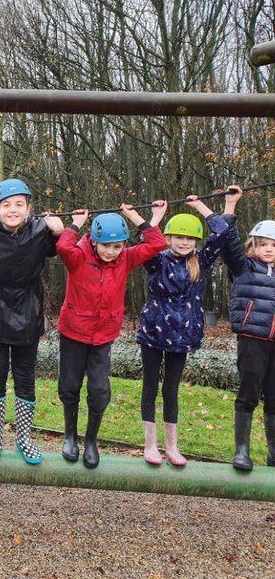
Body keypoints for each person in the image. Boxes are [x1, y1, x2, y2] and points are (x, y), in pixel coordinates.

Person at [0, 178, 63, 464]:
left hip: (28, 309)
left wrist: (61, 231)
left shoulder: (40, 230)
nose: (12, 210)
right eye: (6, 205)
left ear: (29, 208)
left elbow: (59, 249)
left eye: (19, 204)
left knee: (25, 377)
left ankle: (24, 437)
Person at [56, 203, 167, 469]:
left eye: (117, 246)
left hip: (103, 335)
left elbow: (157, 243)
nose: (111, 252)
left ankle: (91, 440)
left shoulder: (125, 259)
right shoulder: (78, 256)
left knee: (99, 390)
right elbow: (62, 247)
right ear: (93, 242)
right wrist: (75, 223)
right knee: (70, 387)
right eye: (106, 245)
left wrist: (135, 217)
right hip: (74, 331)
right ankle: (70, 435)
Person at [136, 196, 234, 467]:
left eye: (190, 238)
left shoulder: (200, 261)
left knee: (171, 389)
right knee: (150, 387)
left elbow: (223, 232)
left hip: (183, 334)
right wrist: (155, 217)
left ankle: (172, 447)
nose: (184, 242)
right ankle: (150, 445)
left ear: (196, 242)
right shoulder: (157, 260)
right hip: (154, 332)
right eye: (178, 237)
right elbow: (145, 244)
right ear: (168, 238)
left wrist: (201, 207)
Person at [218, 189, 275, 472]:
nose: (268, 249)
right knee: (249, 393)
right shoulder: (244, 268)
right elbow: (228, 244)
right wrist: (231, 204)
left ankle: (273, 454)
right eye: (263, 244)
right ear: (253, 245)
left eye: (273, 245)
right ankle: (242, 451)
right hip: (253, 341)